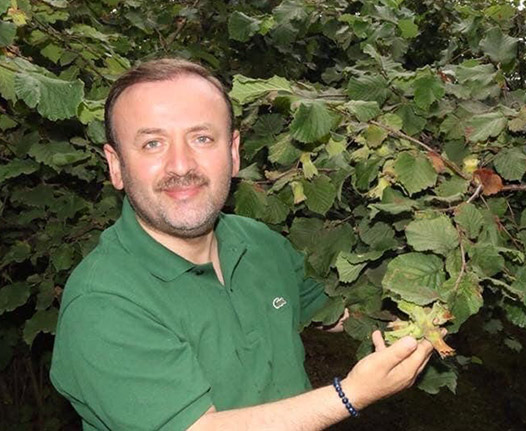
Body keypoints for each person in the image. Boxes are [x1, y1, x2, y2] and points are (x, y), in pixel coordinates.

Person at [50, 58, 434, 431]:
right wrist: (351, 395)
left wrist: (419, 312)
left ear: (233, 152)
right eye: (152, 144)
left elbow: (328, 309)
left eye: (201, 138)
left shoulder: (258, 242)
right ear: (116, 166)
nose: (181, 165)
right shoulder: (103, 301)